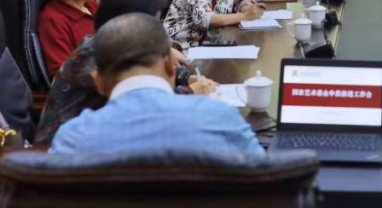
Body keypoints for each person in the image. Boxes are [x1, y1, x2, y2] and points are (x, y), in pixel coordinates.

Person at [35, 0, 218, 146]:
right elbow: (141, 104)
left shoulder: (119, 45)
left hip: (106, 136)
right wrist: (190, 92)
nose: (156, 29)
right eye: (152, 22)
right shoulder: (94, 54)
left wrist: (185, 77)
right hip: (62, 149)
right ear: (127, 23)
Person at [50, 13, 263, 155]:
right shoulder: (221, 119)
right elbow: (266, 190)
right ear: (170, 67)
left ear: (98, 82)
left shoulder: (72, 139)